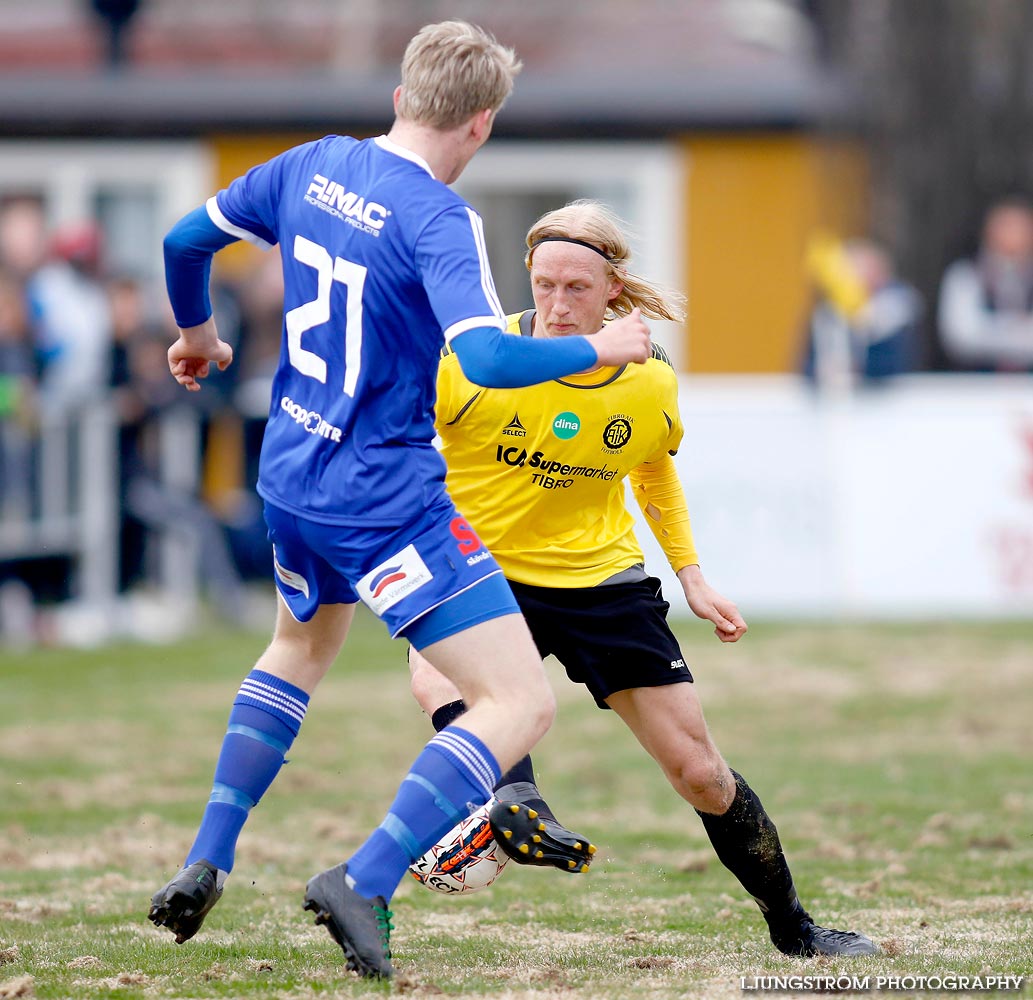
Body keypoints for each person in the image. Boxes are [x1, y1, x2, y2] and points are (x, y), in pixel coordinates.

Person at [146, 20, 651, 981]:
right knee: (517, 702)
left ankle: (205, 858)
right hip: (383, 499)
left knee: (298, 648)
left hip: (292, 474)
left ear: (400, 97)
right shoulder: (436, 216)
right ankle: (367, 877)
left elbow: (182, 239)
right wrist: (604, 348)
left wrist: (197, 336)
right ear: (482, 124)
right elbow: (488, 358)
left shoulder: (311, 165)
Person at [408, 200, 878, 959]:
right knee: (434, 672)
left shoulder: (648, 380)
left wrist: (692, 577)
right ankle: (515, 801)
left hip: (602, 584)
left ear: (613, 292)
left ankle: (795, 930)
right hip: (482, 572)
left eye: (578, 289)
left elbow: (654, 473)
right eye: (544, 284)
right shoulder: (475, 360)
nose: (558, 306)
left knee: (701, 773)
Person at [802, 233, 922, 391]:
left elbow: (901, 365)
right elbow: (805, 366)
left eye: (860, 267)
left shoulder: (898, 310)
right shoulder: (827, 313)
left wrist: (864, 327)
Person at [938, 196, 1033, 372]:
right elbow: (962, 338)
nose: (1013, 234)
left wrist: (994, 329)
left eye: (1020, 227)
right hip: (976, 385)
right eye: (1005, 226)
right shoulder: (965, 275)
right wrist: (1015, 329)